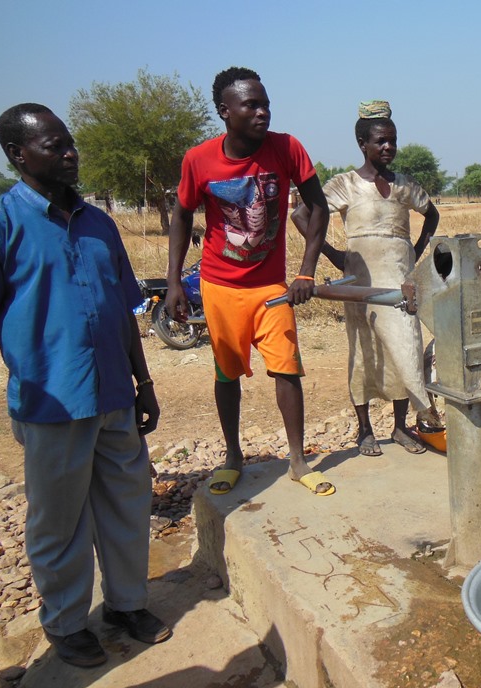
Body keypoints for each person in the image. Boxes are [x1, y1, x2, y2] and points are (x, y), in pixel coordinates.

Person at [0, 104, 170, 667]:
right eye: (54, 145)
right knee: (59, 520)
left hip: (115, 392)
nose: (70, 152)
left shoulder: (100, 223)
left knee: (126, 503)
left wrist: (143, 380)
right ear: (19, 156)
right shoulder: (3, 222)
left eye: (70, 142)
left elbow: (123, 311)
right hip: (52, 401)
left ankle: (126, 604)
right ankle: (67, 623)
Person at [166, 67, 331, 495]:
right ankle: (233, 456)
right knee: (226, 374)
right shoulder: (198, 160)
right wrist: (172, 283)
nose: (263, 112)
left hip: (271, 287)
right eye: (251, 105)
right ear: (225, 112)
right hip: (219, 285)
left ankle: (297, 461)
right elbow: (182, 216)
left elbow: (319, 208)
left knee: (287, 369)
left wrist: (306, 271)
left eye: (266, 103)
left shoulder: (287, 147)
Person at [293, 101, 438, 456]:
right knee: (364, 350)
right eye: (380, 142)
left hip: (400, 281)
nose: (388, 147)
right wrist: (334, 255)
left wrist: (415, 252)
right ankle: (364, 430)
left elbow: (431, 215)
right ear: (362, 144)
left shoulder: (404, 185)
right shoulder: (345, 185)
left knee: (405, 347)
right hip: (360, 280)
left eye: (393, 141)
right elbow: (301, 214)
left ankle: (402, 427)